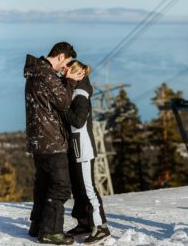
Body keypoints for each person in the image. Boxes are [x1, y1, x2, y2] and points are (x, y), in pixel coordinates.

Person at [24, 42, 85, 245]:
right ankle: (51, 232)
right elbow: (64, 103)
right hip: (51, 140)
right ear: (60, 56)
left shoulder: (35, 72)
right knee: (61, 186)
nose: (63, 68)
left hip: (38, 140)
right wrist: (69, 82)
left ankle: (38, 225)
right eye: (65, 62)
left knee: (44, 183)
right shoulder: (46, 75)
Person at [63, 60, 111, 245]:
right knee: (78, 188)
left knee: (88, 188)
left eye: (67, 68)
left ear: (76, 72)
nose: (63, 70)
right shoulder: (75, 89)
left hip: (83, 147)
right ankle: (84, 224)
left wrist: (64, 109)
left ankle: (101, 228)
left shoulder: (81, 93)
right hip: (75, 147)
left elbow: (78, 121)